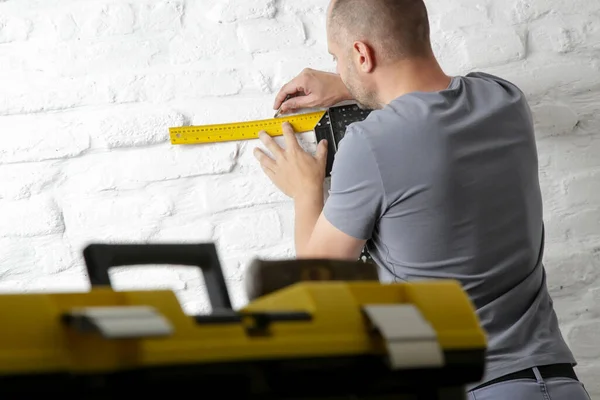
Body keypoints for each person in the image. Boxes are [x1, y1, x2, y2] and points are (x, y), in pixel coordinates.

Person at [252, 0, 590, 399]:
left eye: (337, 57)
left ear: (362, 54)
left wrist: (305, 190)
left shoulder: (371, 144)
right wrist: (354, 81)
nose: (338, 66)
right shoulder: (506, 101)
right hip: (561, 383)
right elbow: (428, 86)